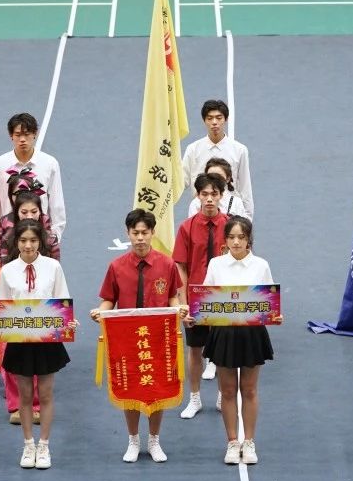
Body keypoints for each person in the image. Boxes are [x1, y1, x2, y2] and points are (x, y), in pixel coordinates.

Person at [90, 210, 184, 464]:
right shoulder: (116, 267)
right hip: (127, 339)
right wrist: (100, 312)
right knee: (130, 386)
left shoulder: (167, 264)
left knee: (157, 388)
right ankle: (133, 439)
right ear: (128, 234)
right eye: (135, 233)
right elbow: (109, 299)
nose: (140, 238)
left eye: (144, 232)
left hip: (158, 339)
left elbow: (172, 296)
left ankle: (154, 439)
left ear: (153, 233)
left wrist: (178, 309)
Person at [194, 216, 275, 465]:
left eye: (241, 237)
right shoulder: (216, 264)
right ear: (226, 240)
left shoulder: (261, 265)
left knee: (249, 389)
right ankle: (232, 442)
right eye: (231, 237)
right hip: (223, 333)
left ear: (249, 239)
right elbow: (206, 299)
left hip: (252, 333)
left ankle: (248, 441)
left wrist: (275, 314)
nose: (236, 242)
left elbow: (269, 300)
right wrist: (196, 313)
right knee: (227, 390)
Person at [0, 219, 74, 470]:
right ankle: (28, 445)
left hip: (46, 340)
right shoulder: (7, 271)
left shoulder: (53, 267)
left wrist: (68, 322)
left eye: (32, 240)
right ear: (16, 242)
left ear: (40, 241)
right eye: (23, 240)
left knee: (46, 394)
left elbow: (62, 301)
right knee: (26, 395)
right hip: (20, 341)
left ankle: (44, 446)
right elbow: (0, 307)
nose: (28, 245)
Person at [0, 182, 53, 426]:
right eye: (24, 211)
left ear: (41, 212)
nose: (29, 215)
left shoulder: (49, 237)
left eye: (34, 211)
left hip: (41, 306)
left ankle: (36, 405)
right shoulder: (8, 235)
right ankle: (16, 405)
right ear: (15, 211)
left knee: (40, 361)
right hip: (16, 305)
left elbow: (55, 268)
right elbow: (2, 264)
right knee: (13, 359)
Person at [174, 173, 229, 419]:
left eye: (213, 194)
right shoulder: (186, 228)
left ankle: (222, 395)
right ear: (197, 195)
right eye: (204, 194)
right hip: (196, 299)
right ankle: (194, 398)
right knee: (195, 349)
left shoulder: (231, 227)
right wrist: (184, 304)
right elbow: (181, 267)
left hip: (223, 300)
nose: (209, 199)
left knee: (222, 351)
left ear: (221, 195)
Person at [0, 112, 67, 243]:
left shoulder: (50, 164)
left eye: (26, 134)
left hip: (40, 237)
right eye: (18, 135)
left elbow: (56, 203)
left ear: (34, 134)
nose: (22, 139)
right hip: (9, 237)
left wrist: (55, 236)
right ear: (11, 135)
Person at [181, 99, 254, 218]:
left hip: (230, 212)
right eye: (210, 118)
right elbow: (181, 182)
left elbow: (245, 188)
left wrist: (247, 220)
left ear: (225, 119)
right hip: (200, 211)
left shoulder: (240, 150)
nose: (214, 122)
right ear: (204, 120)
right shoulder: (193, 149)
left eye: (219, 118)